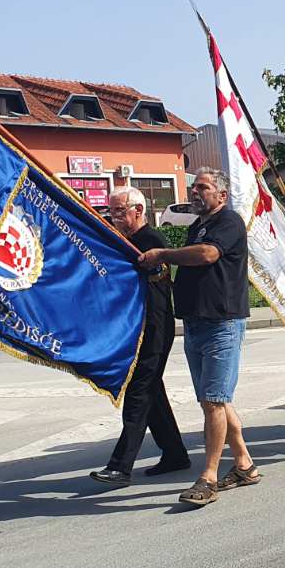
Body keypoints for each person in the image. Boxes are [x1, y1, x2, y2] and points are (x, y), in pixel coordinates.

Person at [137, 170, 256, 508]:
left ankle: (209, 477)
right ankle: (244, 464)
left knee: (214, 401)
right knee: (213, 399)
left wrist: (164, 254)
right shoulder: (197, 226)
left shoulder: (229, 222)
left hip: (221, 324)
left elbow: (207, 255)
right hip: (195, 324)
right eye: (194, 187)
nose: (195, 192)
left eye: (203, 187)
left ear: (222, 195)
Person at [89, 186, 189, 488]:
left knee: (139, 393)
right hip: (135, 328)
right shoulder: (125, 241)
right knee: (152, 391)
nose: (115, 217)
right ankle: (175, 454)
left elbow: (152, 288)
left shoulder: (151, 241)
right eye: (112, 211)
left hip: (154, 327)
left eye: (120, 211)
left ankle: (120, 467)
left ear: (138, 210)